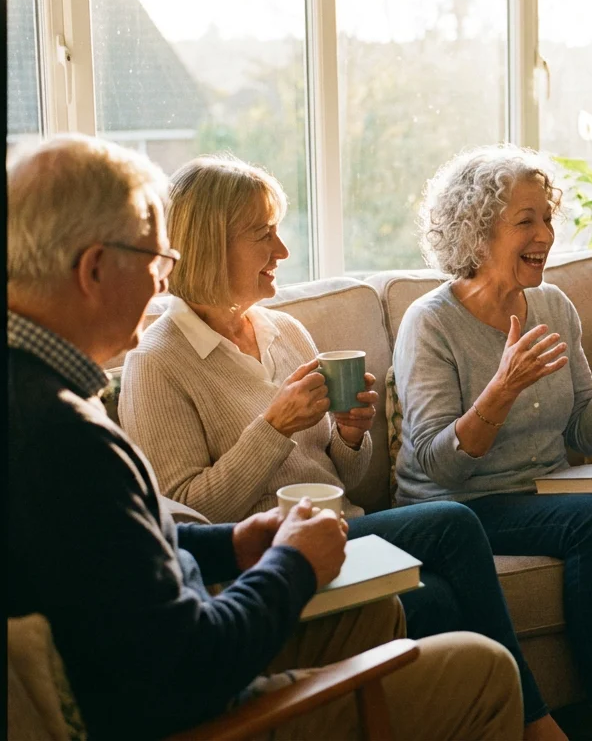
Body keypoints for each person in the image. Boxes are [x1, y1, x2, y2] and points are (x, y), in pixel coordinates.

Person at [7, 135, 523, 740]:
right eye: (154, 262)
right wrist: (291, 562)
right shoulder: (62, 437)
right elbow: (189, 660)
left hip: (199, 636)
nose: (158, 288)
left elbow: (135, 545)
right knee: (486, 667)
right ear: (94, 268)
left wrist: (234, 545)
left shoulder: (45, 399)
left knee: (388, 607)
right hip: (206, 706)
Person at [393, 144, 592, 741]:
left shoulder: (553, 305)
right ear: (477, 233)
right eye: (526, 220)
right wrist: (500, 389)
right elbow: (441, 464)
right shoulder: (430, 323)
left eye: (547, 216)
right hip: (458, 505)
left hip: (543, 487)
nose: (545, 233)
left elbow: (584, 432)